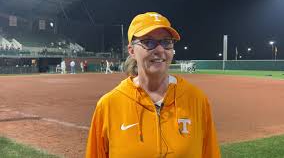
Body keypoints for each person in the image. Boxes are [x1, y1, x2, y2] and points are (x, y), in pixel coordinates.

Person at [86, 12, 221, 157]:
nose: (160, 50)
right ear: (131, 51)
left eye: (166, 42)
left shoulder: (197, 99)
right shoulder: (108, 105)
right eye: (148, 42)